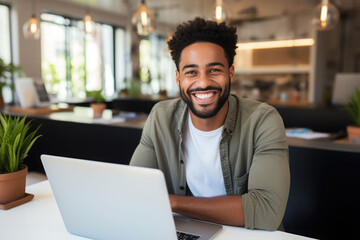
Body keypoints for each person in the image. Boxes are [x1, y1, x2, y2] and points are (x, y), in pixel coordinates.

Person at [130, 17, 290, 231]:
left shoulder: (263, 121)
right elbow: (134, 190)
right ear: (178, 78)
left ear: (230, 72)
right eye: (191, 72)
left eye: (214, 70)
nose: (203, 82)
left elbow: (266, 211)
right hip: (188, 231)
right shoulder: (160, 117)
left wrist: (173, 202)